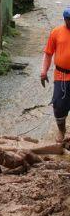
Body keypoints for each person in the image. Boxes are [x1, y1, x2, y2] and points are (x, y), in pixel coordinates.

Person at [40, 8, 70, 143]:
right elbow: (48, 53)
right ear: (65, 20)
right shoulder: (56, 32)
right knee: (58, 105)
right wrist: (43, 71)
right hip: (61, 76)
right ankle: (61, 130)